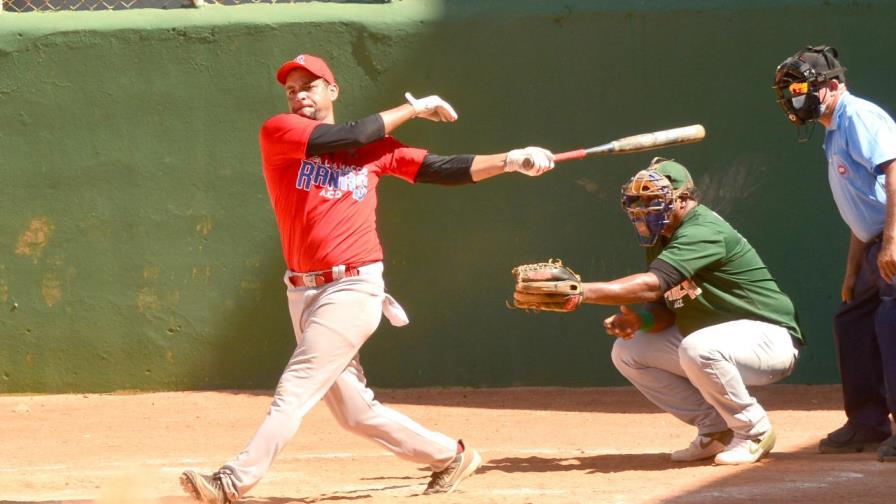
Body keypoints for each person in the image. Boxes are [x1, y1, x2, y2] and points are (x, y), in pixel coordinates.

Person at [179, 53, 556, 503]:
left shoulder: (374, 152)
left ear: (332, 90)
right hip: (302, 290)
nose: (299, 95)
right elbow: (351, 133)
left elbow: (440, 168)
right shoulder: (281, 132)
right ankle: (449, 456)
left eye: (310, 86)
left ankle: (231, 482)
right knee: (355, 413)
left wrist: (512, 160)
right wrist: (414, 109)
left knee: (296, 387)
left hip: (353, 285)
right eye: (292, 89)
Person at [519, 158, 803, 465]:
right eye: (637, 200)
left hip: (769, 339)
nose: (642, 208)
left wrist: (581, 291)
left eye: (652, 199)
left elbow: (652, 285)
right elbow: (664, 307)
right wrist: (639, 320)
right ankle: (715, 429)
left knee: (699, 348)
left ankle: (754, 431)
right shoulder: (661, 236)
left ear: (683, 199)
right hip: (717, 341)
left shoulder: (703, 230)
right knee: (629, 350)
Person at [773, 45, 896, 461]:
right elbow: (860, 209)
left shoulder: (858, 116)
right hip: (874, 242)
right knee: (853, 321)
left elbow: (895, 169)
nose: (795, 98)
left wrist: (893, 242)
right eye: (790, 91)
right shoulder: (834, 130)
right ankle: (868, 423)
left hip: (893, 237)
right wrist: (852, 270)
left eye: (802, 88)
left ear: (833, 86)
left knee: (891, 320)